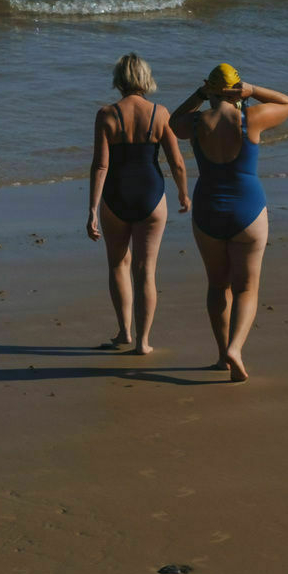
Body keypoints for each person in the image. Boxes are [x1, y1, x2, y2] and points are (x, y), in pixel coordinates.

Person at [172, 61, 288, 381]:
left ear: (211, 89)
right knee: (246, 288)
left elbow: (173, 122)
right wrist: (253, 90)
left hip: (208, 210)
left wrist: (200, 94)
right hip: (247, 210)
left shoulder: (196, 123)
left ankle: (221, 356)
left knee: (218, 285)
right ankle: (236, 348)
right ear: (238, 90)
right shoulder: (251, 119)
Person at [85, 54, 191, 355]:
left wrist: (92, 209)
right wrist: (183, 194)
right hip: (151, 195)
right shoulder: (160, 114)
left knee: (118, 264)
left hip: (115, 196)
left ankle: (124, 333)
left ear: (119, 79)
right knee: (146, 271)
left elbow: (100, 166)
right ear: (145, 78)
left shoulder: (106, 114)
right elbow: (177, 162)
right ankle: (144, 342)